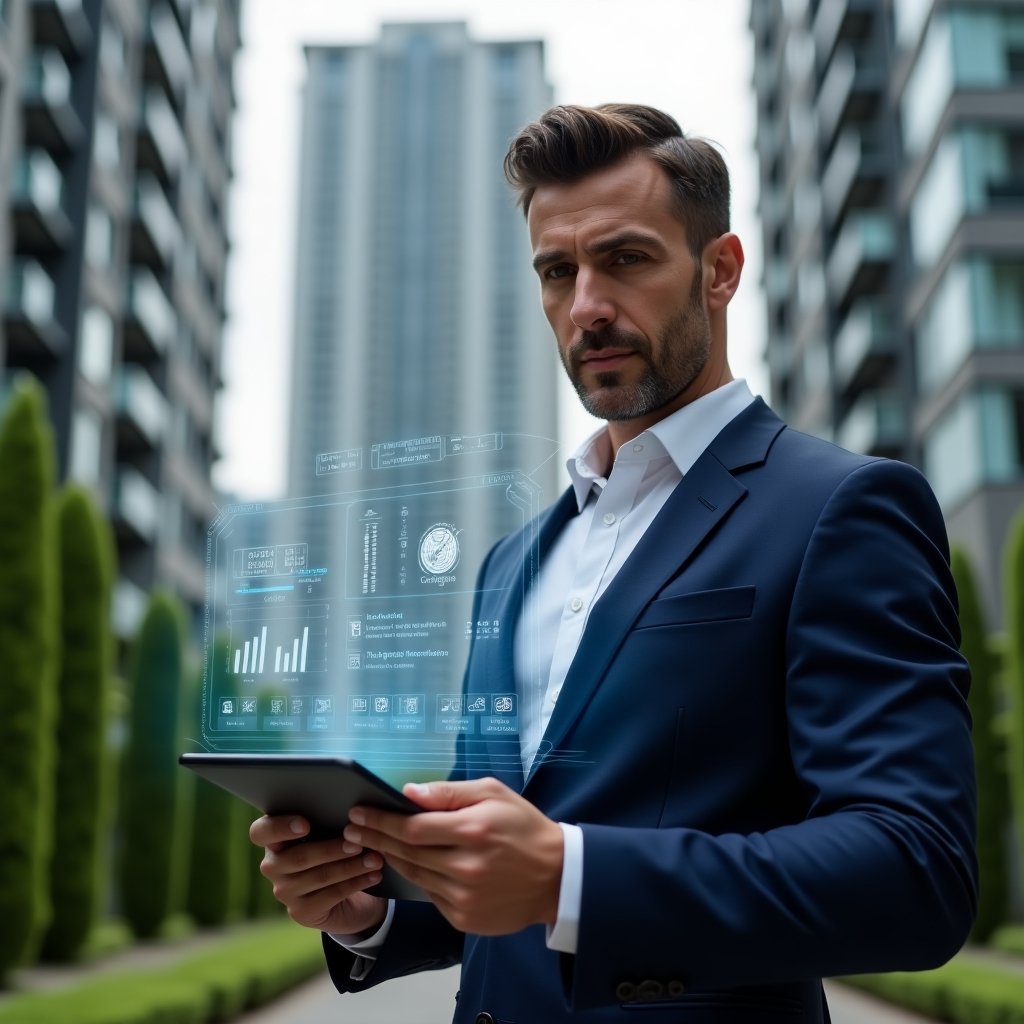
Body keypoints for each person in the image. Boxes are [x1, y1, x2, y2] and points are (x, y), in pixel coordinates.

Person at [250, 103, 977, 1023]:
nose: (586, 304)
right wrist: (371, 913)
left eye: (625, 259)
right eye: (558, 271)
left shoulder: (843, 508)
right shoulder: (510, 563)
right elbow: (502, 879)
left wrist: (570, 873)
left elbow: (916, 870)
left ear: (720, 271)